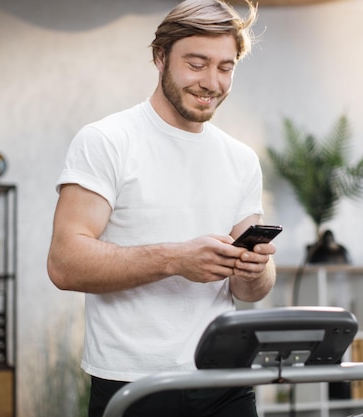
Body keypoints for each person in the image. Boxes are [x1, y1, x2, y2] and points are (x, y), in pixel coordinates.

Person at [47, 1, 276, 416]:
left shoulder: (241, 160)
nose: (212, 82)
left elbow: (249, 290)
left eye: (225, 68)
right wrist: (175, 259)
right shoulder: (107, 141)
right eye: (196, 63)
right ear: (160, 57)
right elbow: (64, 263)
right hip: (133, 384)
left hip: (225, 379)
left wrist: (256, 269)